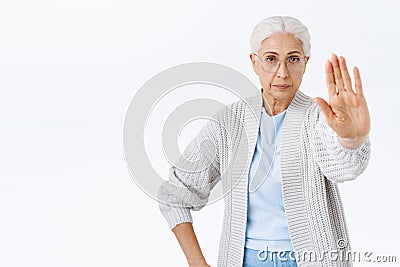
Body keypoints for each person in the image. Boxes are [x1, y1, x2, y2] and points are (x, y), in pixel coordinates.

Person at [157, 16, 371, 267]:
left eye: (293, 59)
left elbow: (343, 167)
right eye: (271, 59)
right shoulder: (228, 123)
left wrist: (351, 138)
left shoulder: (319, 119)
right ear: (254, 63)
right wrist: (197, 262)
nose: (282, 72)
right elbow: (174, 195)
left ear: (305, 64)